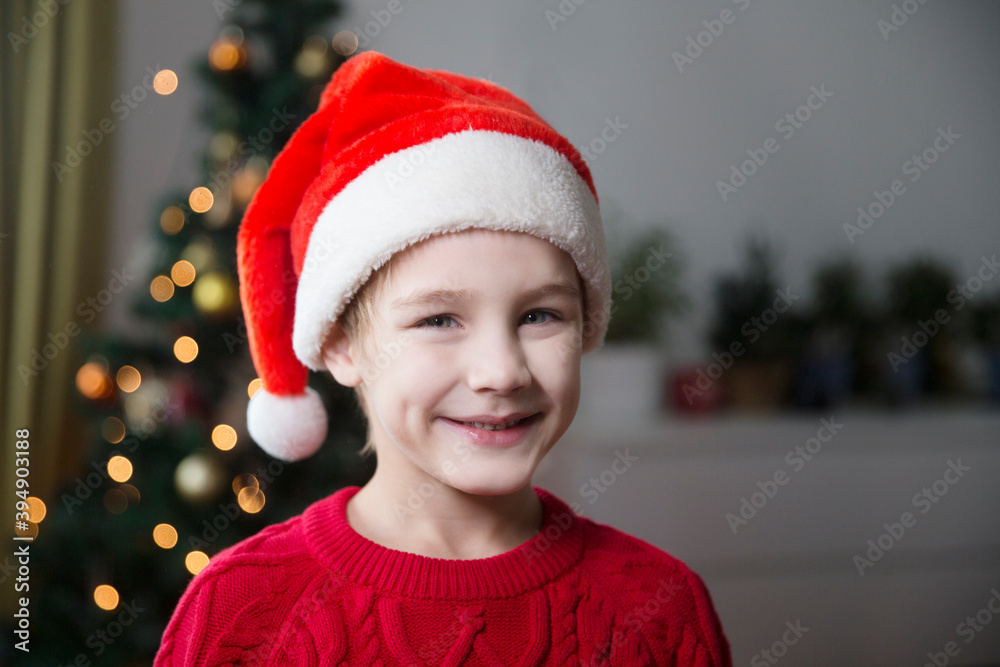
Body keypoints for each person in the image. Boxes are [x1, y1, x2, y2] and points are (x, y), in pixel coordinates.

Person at [155, 49, 732, 666]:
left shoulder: (661, 610)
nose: (502, 372)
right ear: (339, 344)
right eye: (439, 319)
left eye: (540, 315)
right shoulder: (238, 612)